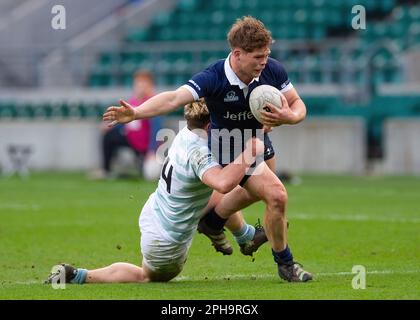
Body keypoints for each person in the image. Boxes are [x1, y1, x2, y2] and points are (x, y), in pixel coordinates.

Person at [102, 16, 312, 282]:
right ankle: (285, 263)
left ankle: (216, 223)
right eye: (258, 56)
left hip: (256, 137)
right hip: (227, 146)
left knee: (268, 195)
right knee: (275, 194)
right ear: (237, 54)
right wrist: (136, 113)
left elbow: (297, 104)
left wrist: (289, 117)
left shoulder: (272, 70)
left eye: (267, 55)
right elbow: (175, 97)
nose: (264, 61)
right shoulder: (214, 76)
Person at [45, 100, 265, 284]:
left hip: (157, 210)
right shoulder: (200, 152)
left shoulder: (186, 133)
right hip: (167, 241)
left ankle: (243, 235)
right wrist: (251, 151)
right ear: (210, 126)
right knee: (146, 276)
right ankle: (79, 276)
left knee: (226, 191)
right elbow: (224, 183)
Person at [92, 70, 161, 179]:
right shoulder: (133, 101)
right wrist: (110, 125)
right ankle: (106, 170)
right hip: (131, 139)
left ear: (150, 85)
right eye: (138, 84)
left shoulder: (153, 102)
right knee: (109, 136)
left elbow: (156, 128)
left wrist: (152, 150)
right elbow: (127, 123)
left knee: (149, 174)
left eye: (143, 84)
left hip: (144, 143)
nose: (140, 87)